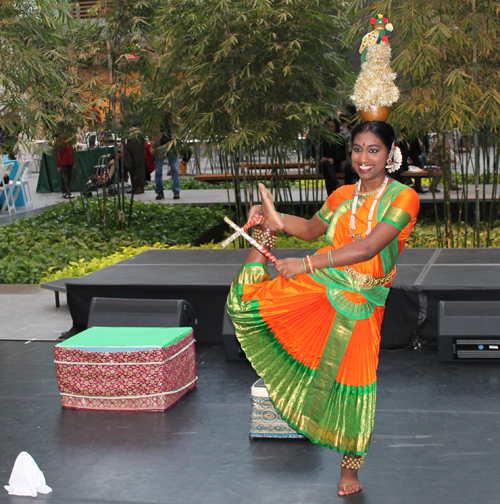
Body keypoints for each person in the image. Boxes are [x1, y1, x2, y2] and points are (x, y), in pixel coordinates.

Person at [227, 121, 420, 496]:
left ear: (391, 153)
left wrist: (306, 264)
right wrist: (275, 221)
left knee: (357, 381)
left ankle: (350, 471)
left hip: (364, 301)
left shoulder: (403, 197)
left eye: (374, 150)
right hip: (327, 286)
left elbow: (367, 248)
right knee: (252, 301)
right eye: (358, 149)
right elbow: (311, 230)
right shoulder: (341, 196)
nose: (363, 158)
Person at [311, 119, 345, 195]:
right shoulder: (320, 139)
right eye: (328, 126)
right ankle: (336, 185)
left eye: (331, 126)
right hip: (323, 165)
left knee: (327, 170)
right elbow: (313, 153)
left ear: (336, 127)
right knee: (326, 165)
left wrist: (334, 160)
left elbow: (343, 155)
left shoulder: (340, 139)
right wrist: (321, 158)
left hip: (335, 165)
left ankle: (330, 195)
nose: (329, 129)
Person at [152, 114, 180, 200]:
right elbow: (151, 132)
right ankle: (160, 191)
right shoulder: (155, 119)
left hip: (172, 147)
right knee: (158, 171)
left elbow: (180, 128)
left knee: (175, 169)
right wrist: (152, 144)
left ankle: (176, 191)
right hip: (159, 147)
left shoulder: (175, 118)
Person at [54, 122, 75, 199]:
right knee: (65, 177)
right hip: (63, 162)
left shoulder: (69, 139)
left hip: (69, 161)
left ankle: (67, 191)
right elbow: (58, 153)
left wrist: (73, 162)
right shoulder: (60, 140)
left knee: (69, 177)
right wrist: (58, 164)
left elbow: (71, 151)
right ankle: (66, 192)